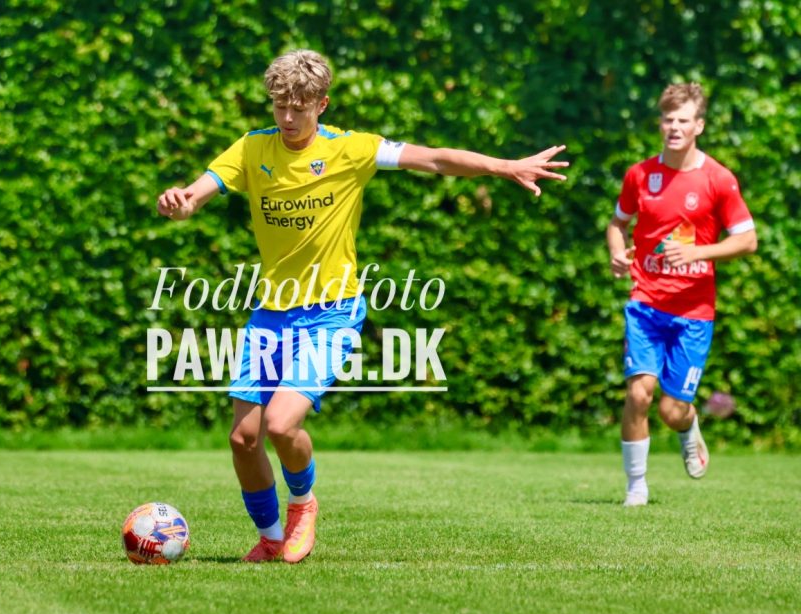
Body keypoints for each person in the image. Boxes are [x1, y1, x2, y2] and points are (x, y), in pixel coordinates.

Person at [156, 50, 567, 562]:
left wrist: (503, 166)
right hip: (271, 313)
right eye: (280, 106)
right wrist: (181, 202)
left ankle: (303, 504)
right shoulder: (252, 147)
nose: (287, 118)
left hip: (331, 313)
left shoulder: (351, 149)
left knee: (281, 425)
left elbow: (434, 158)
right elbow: (198, 193)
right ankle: (270, 538)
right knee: (243, 438)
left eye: (299, 108)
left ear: (322, 105)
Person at [607, 82, 757, 507]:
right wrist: (617, 253)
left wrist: (697, 252)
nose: (674, 127)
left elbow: (747, 240)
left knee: (671, 412)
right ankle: (636, 487)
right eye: (668, 119)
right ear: (660, 124)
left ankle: (688, 427)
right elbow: (617, 224)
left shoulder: (718, 179)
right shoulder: (640, 175)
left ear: (699, 126)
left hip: (694, 312)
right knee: (638, 393)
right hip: (645, 303)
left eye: (683, 120)